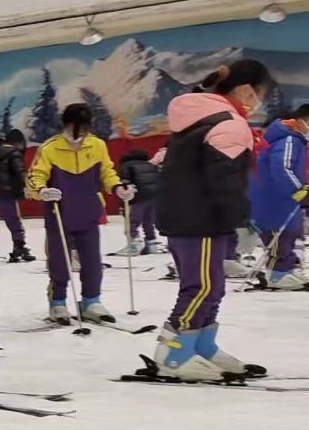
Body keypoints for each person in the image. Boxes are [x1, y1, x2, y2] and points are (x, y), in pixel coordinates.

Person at [152, 60, 272, 379]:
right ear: (246, 90)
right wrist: (243, 222)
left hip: (195, 217)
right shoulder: (228, 123)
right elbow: (225, 180)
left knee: (213, 287)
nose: (260, 99)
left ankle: (201, 344)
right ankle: (173, 352)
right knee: (201, 287)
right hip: (198, 219)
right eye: (260, 93)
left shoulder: (202, 116)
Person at [28, 103, 132, 325]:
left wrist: (117, 188)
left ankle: (91, 301)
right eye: (77, 126)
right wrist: (42, 190)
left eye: (85, 127)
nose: (81, 132)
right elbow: (35, 175)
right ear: (66, 124)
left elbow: (107, 172)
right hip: (59, 213)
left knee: (92, 261)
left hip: (88, 211)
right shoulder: (49, 148)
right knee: (59, 261)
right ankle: (58, 302)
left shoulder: (97, 145)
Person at [250, 103, 309, 290]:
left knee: (288, 233)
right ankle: (278, 274)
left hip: (280, 198)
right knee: (279, 232)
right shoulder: (289, 140)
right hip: (274, 198)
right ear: (303, 121)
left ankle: (285, 270)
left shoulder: (292, 139)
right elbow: (283, 167)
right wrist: (298, 189)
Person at [0, 128, 34, 261]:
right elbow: (20, 171)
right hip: (7, 192)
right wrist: (27, 186)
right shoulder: (14, 152)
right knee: (13, 220)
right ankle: (19, 247)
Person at [118, 149, 163, 255]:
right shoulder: (151, 165)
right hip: (154, 196)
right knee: (149, 221)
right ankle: (151, 243)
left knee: (132, 221)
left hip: (137, 197)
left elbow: (125, 182)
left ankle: (134, 244)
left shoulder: (126, 165)